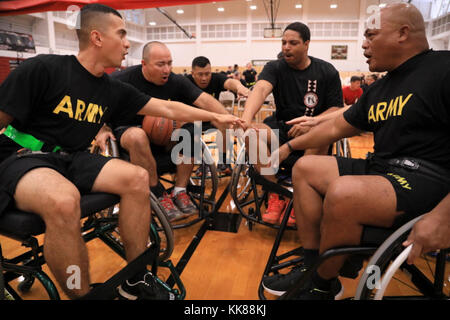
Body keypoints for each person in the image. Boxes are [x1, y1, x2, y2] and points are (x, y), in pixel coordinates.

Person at [0, 4, 241, 300]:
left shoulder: (111, 88)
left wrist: (216, 117)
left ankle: (135, 278)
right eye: (123, 34)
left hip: (71, 159)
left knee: (138, 178)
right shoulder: (44, 68)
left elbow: (166, 107)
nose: (128, 43)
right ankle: (82, 293)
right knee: (64, 200)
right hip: (24, 155)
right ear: (97, 38)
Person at [263, 3, 450, 299]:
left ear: (403, 33)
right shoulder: (379, 88)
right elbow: (337, 127)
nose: (363, 44)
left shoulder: (444, 68)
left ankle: (320, 287)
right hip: (385, 168)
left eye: (371, 35)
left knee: (344, 192)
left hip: (430, 178)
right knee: (306, 168)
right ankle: (316, 267)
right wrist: (288, 146)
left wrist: (444, 216)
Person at [96, 41, 235, 219]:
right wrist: (101, 129)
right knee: (138, 136)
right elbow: (94, 102)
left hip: (164, 138)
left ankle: (180, 190)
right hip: (129, 132)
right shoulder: (121, 79)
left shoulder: (174, 80)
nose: (167, 69)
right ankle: (159, 194)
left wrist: (229, 119)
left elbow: (204, 100)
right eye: (160, 64)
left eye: (169, 63)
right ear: (144, 64)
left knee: (191, 129)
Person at [241, 21, 343, 227]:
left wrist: (314, 122)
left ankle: (300, 196)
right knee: (251, 133)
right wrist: (246, 119)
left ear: (306, 44)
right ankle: (275, 195)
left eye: (293, 43)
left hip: (315, 129)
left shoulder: (326, 71)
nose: (286, 47)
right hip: (283, 128)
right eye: (284, 42)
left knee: (323, 133)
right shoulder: (275, 67)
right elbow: (260, 89)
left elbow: (336, 109)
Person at [187, 56, 250, 174]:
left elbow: (230, 82)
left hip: (212, 118)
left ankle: (223, 162)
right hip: (192, 119)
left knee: (225, 123)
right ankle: (202, 163)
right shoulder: (186, 82)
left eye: (207, 73)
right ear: (192, 73)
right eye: (200, 74)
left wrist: (239, 87)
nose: (204, 78)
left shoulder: (215, 79)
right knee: (189, 128)